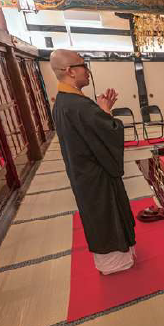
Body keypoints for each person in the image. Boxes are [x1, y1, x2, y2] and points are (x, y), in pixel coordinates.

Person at [49, 49, 137, 275]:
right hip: (96, 175)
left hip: (83, 173)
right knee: (106, 214)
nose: (87, 71)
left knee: (98, 214)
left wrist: (100, 112)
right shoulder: (78, 105)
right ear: (69, 71)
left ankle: (112, 260)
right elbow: (109, 132)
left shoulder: (64, 101)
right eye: (83, 65)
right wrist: (106, 112)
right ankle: (115, 262)